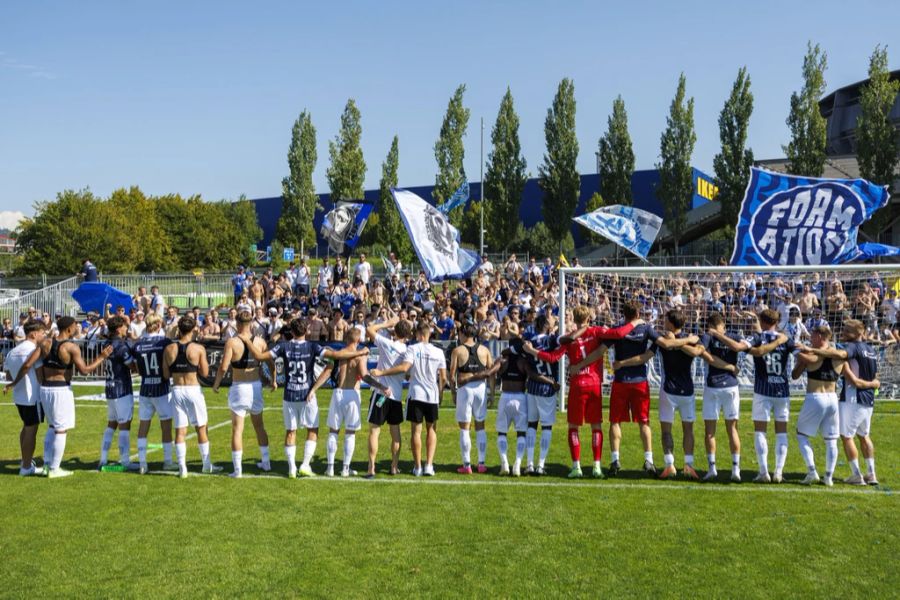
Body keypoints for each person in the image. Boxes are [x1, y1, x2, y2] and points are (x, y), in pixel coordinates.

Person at [612, 310, 735, 480]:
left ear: (670, 323)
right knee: (688, 429)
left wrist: (622, 363)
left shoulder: (665, 340)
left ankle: (670, 465)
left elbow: (644, 358)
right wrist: (683, 341)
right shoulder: (690, 339)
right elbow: (697, 352)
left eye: (665, 320)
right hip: (687, 392)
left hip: (668, 391)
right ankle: (688, 465)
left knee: (666, 430)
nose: (663, 322)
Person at [239, 319, 368, 477]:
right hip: (307, 394)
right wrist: (360, 352)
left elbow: (259, 356)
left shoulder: (283, 346)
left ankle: (292, 467)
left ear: (291, 332)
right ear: (306, 331)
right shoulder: (312, 346)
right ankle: (305, 464)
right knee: (312, 430)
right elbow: (336, 354)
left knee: (290, 431)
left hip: (290, 395)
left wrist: (247, 341)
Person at [524, 305, 637, 479]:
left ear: (574, 319)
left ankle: (576, 466)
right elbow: (618, 334)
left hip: (577, 385)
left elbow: (553, 357)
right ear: (588, 318)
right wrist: (634, 323)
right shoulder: (597, 331)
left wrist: (532, 351)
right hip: (594, 384)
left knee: (573, 427)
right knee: (596, 426)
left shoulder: (569, 339)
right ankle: (596, 466)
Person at [600, 301, 696, 477]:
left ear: (624, 313)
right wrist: (689, 339)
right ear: (638, 314)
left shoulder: (617, 329)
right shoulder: (647, 330)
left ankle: (615, 460)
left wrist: (585, 363)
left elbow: (601, 349)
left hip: (621, 381)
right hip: (640, 382)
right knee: (644, 422)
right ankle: (649, 460)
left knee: (615, 421)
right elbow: (659, 348)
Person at [6, 316, 110, 477]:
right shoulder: (72, 347)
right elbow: (85, 370)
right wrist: (101, 357)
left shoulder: (45, 343)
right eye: (75, 325)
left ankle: (48, 464)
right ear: (69, 328)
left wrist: (13, 383)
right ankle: (54, 468)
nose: (77, 328)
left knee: (52, 427)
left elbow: (27, 364)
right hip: (61, 389)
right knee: (61, 429)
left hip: (45, 389)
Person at [796, 320, 880, 485]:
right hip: (868, 399)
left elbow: (842, 359)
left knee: (846, 437)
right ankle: (871, 473)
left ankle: (856, 474)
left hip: (852, 398)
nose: (843, 332)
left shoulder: (852, 348)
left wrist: (811, 350)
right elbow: (876, 376)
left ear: (858, 333)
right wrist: (872, 385)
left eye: (847, 330)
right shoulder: (871, 350)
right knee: (864, 436)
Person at [712, 309, 792, 483]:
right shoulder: (786, 339)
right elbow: (803, 352)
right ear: (776, 322)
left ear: (762, 322)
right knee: (781, 432)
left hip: (763, 390)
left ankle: (763, 472)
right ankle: (778, 472)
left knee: (760, 431)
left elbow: (739, 347)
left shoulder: (757, 338)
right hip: (782, 391)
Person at [372, 321, 447, 477]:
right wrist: (440, 394)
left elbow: (405, 369)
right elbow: (444, 378)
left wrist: (381, 373)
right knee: (431, 430)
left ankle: (418, 466)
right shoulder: (439, 352)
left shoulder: (412, 348)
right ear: (429, 334)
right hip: (432, 396)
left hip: (416, 394)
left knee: (416, 432)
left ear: (419, 335)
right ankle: (429, 465)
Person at [212, 311, 274, 478]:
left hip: (239, 387)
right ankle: (266, 463)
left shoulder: (232, 342)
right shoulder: (260, 341)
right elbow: (270, 362)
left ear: (238, 324)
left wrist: (216, 384)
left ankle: (238, 470)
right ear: (251, 324)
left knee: (237, 430)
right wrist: (273, 381)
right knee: (259, 426)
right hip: (255, 387)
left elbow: (223, 367)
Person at [324, 328, 391, 477]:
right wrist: (381, 386)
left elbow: (328, 370)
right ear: (358, 340)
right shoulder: (361, 355)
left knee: (333, 431)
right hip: (352, 394)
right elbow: (365, 376)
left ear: (346, 338)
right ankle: (345, 469)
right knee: (350, 432)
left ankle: (330, 468)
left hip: (338, 392)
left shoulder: (339, 353)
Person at [163, 316, 220, 478]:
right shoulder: (198, 348)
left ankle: (182, 468)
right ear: (193, 329)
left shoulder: (169, 349)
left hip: (177, 390)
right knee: (201, 427)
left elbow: (165, 374)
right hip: (193, 389)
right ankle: (206, 465)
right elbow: (205, 372)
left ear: (179, 329)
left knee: (180, 430)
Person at [791, 326, 847, 486]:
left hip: (815, 397)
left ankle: (812, 471)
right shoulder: (839, 355)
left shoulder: (812, 354)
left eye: (813, 335)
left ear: (821, 337)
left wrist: (801, 358)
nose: (809, 338)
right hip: (832, 398)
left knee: (801, 435)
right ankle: (828, 477)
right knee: (831, 440)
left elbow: (794, 376)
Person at [698, 313, 746, 481]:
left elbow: (704, 353)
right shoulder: (730, 335)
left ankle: (712, 469)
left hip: (714, 387)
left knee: (710, 431)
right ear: (723, 324)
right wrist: (730, 367)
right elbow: (703, 354)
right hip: (730, 386)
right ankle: (735, 470)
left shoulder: (710, 336)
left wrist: (716, 335)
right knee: (732, 429)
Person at [365, 315, 413, 478]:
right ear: (408, 335)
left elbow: (369, 329)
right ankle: (394, 466)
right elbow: (407, 375)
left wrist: (386, 324)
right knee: (395, 432)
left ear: (395, 331)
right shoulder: (407, 351)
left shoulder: (387, 343)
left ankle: (371, 467)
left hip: (381, 393)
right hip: (396, 396)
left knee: (374, 431)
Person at [448, 322, 498, 474]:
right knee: (480, 426)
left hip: (465, 388)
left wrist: (453, 392)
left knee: (465, 428)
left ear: (463, 333)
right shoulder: (484, 350)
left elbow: (451, 375)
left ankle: (467, 464)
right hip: (481, 388)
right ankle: (481, 463)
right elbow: (492, 372)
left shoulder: (457, 350)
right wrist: (492, 393)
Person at [132, 313, 177, 473]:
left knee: (143, 425)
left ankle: (142, 463)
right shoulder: (164, 342)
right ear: (158, 325)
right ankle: (168, 461)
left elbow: (136, 368)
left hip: (145, 388)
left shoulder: (138, 344)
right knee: (166, 426)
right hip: (161, 387)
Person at [3, 319, 47, 475]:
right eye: (43, 333)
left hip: (19, 396)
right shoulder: (33, 351)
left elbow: (7, 374)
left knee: (26, 427)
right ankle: (26, 467)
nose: (44, 335)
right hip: (32, 396)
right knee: (31, 430)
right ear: (34, 333)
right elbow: (41, 376)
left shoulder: (12, 351)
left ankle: (25, 460)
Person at [99, 315, 138, 470]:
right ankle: (125, 460)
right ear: (118, 329)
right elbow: (132, 366)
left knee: (111, 425)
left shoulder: (107, 343)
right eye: (124, 326)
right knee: (124, 425)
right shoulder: (121, 346)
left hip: (109, 388)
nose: (126, 328)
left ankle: (103, 458)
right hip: (122, 389)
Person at [521, 314, 559, 475]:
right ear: (547, 326)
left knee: (531, 425)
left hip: (532, 387)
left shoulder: (530, 342)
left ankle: (529, 463)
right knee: (546, 426)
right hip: (548, 387)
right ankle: (540, 465)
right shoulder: (552, 340)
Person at [495, 342, 530, 476]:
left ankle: (504, 462)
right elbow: (530, 375)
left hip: (505, 397)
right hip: (520, 398)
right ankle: (517, 463)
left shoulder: (503, 360)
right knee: (521, 433)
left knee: (502, 432)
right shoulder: (523, 361)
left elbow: (494, 371)